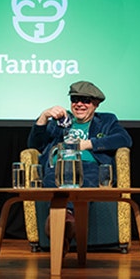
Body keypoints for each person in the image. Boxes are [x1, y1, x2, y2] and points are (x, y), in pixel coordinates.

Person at [29, 81, 132, 250]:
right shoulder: (60, 121)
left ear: (96, 104)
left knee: (80, 177)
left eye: (85, 100)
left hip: (89, 167)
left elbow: (124, 139)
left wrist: (89, 144)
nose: (79, 104)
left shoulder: (106, 120)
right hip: (56, 168)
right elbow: (35, 144)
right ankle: (67, 222)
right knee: (54, 178)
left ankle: (60, 223)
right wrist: (43, 117)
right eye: (75, 99)